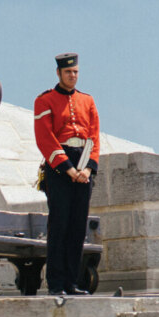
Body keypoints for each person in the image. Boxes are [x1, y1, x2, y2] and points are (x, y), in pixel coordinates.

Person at [34, 52, 99, 295]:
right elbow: (45, 139)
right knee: (59, 226)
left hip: (83, 163)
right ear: (59, 73)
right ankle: (56, 283)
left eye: (76, 72)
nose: (73, 76)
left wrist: (87, 168)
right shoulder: (44, 100)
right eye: (68, 72)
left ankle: (72, 283)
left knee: (77, 227)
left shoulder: (88, 101)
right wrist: (69, 169)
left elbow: (94, 136)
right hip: (60, 166)